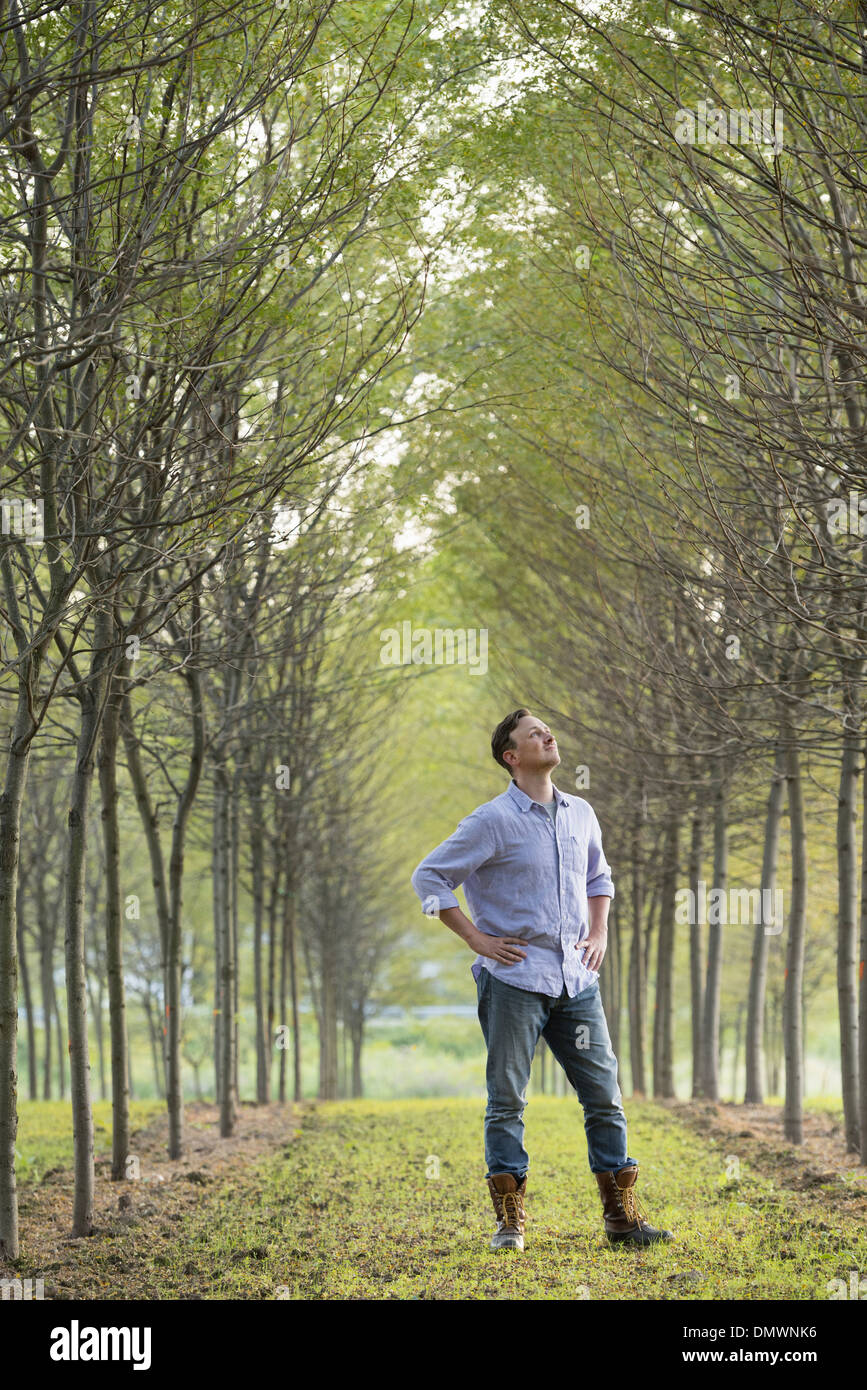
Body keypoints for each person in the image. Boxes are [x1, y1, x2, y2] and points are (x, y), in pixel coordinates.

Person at [411, 708, 673, 1252]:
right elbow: (429, 876)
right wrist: (476, 940)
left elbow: (599, 877)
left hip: (577, 981)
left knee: (605, 1096)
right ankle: (510, 1223)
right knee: (507, 1098)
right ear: (512, 756)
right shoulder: (491, 821)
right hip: (513, 981)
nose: (547, 735)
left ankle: (621, 1220)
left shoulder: (581, 813)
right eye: (534, 733)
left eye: (547, 729)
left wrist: (598, 932)